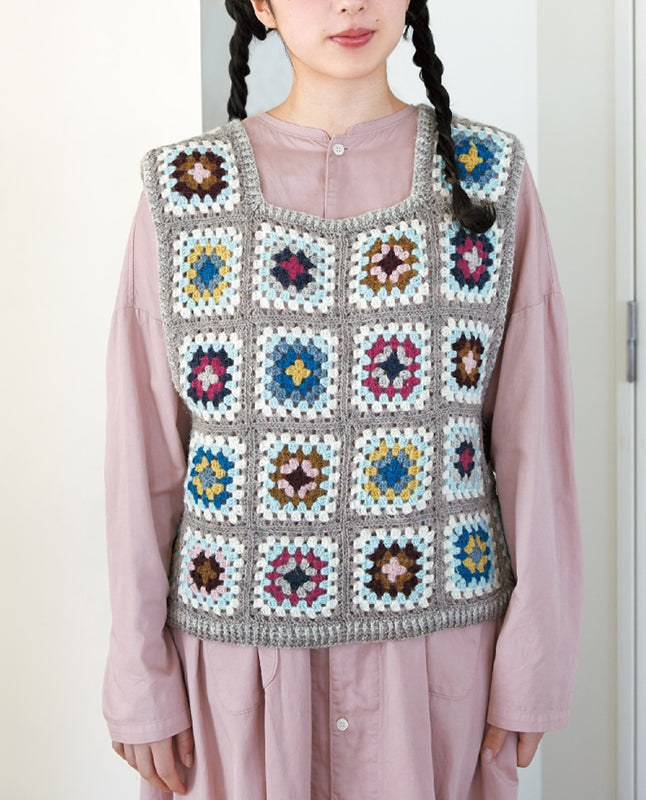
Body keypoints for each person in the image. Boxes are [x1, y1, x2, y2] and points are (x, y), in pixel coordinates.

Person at [102, 0, 584, 798]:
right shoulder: (184, 195)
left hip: (435, 667)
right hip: (238, 677)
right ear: (261, 4)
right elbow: (144, 459)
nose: (350, 4)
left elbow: (538, 443)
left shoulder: (488, 179)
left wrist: (537, 659)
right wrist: (137, 672)